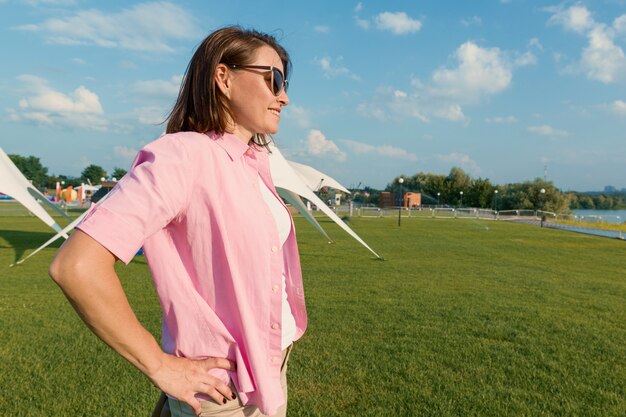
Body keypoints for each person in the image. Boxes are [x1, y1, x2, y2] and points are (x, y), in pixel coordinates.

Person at [49, 26, 307, 417]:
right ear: (223, 77)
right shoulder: (182, 157)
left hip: (269, 369)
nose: (283, 97)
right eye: (273, 79)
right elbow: (77, 266)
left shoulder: (252, 164)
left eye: (284, 83)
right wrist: (159, 364)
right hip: (226, 391)